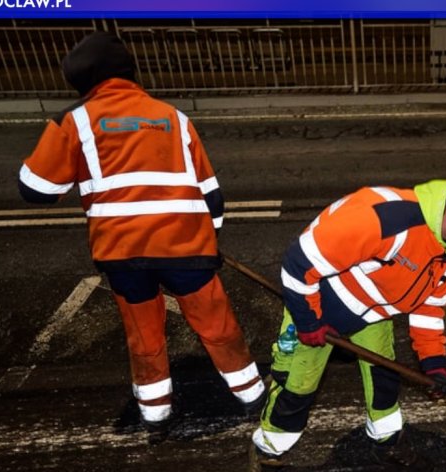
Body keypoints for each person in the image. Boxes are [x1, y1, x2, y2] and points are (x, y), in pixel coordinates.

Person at [17, 32, 265, 435]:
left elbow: (36, 190)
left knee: (143, 331)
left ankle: (155, 412)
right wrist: (209, 241)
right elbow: (211, 195)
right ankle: (251, 393)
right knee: (217, 323)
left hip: (123, 252)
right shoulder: (173, 117)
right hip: (187, 248)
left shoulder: (75, 120)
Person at [247, 170, 446, 472]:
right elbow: (298, 264)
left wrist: (434, 364)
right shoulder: (383, 217)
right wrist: (307, 322)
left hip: (374, 314)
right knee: (296, 391)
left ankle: (387, 441)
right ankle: (268, 457)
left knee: (385, 381)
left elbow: (428, 308)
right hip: (318, 310)